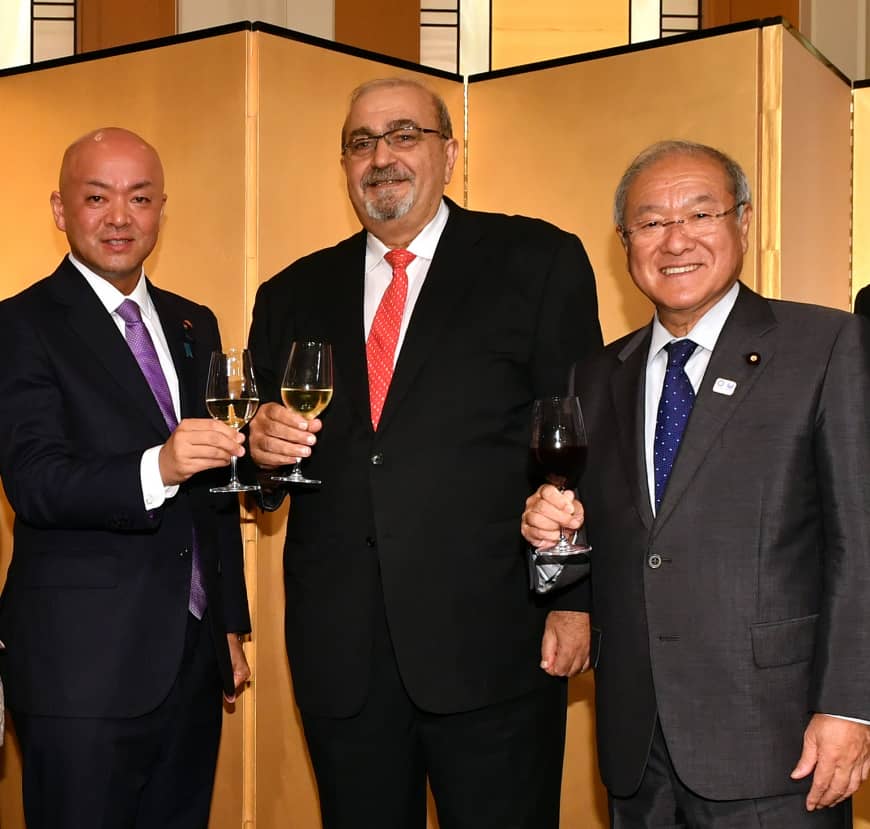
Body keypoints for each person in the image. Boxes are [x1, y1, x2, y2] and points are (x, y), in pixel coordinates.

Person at [246, 77, 602, 829]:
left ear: (450, 150)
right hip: (342, 657)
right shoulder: (290, 292)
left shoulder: (536, 260)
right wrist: (262, 453)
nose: (382, 157)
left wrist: (573, 600)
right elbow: (265, 480)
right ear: (344, 163)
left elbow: (577, 442)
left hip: (496, 644)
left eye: (404, 134)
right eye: (361, 142)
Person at [522, 139, 870, 828]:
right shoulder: (594, 375)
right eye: (650, 221)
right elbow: (610, 542)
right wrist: (549, 539)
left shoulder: (826, 346)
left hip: (777, 738)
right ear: (626, 243)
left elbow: (861, 541)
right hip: (636, 741)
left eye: (700, 213)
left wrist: (850, 705)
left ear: (743, 223)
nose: (675, 238)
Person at [0, 127, 252, 829]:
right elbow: (35, 480)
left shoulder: (192, 321)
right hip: (78, 670)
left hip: (191, 663)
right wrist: (157, 465)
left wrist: (228, 624)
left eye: (140, 198)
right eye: (97, 197)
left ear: (161, 210)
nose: (120, 217)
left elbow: (213, 486)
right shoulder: (19, 325)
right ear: (59, 209)